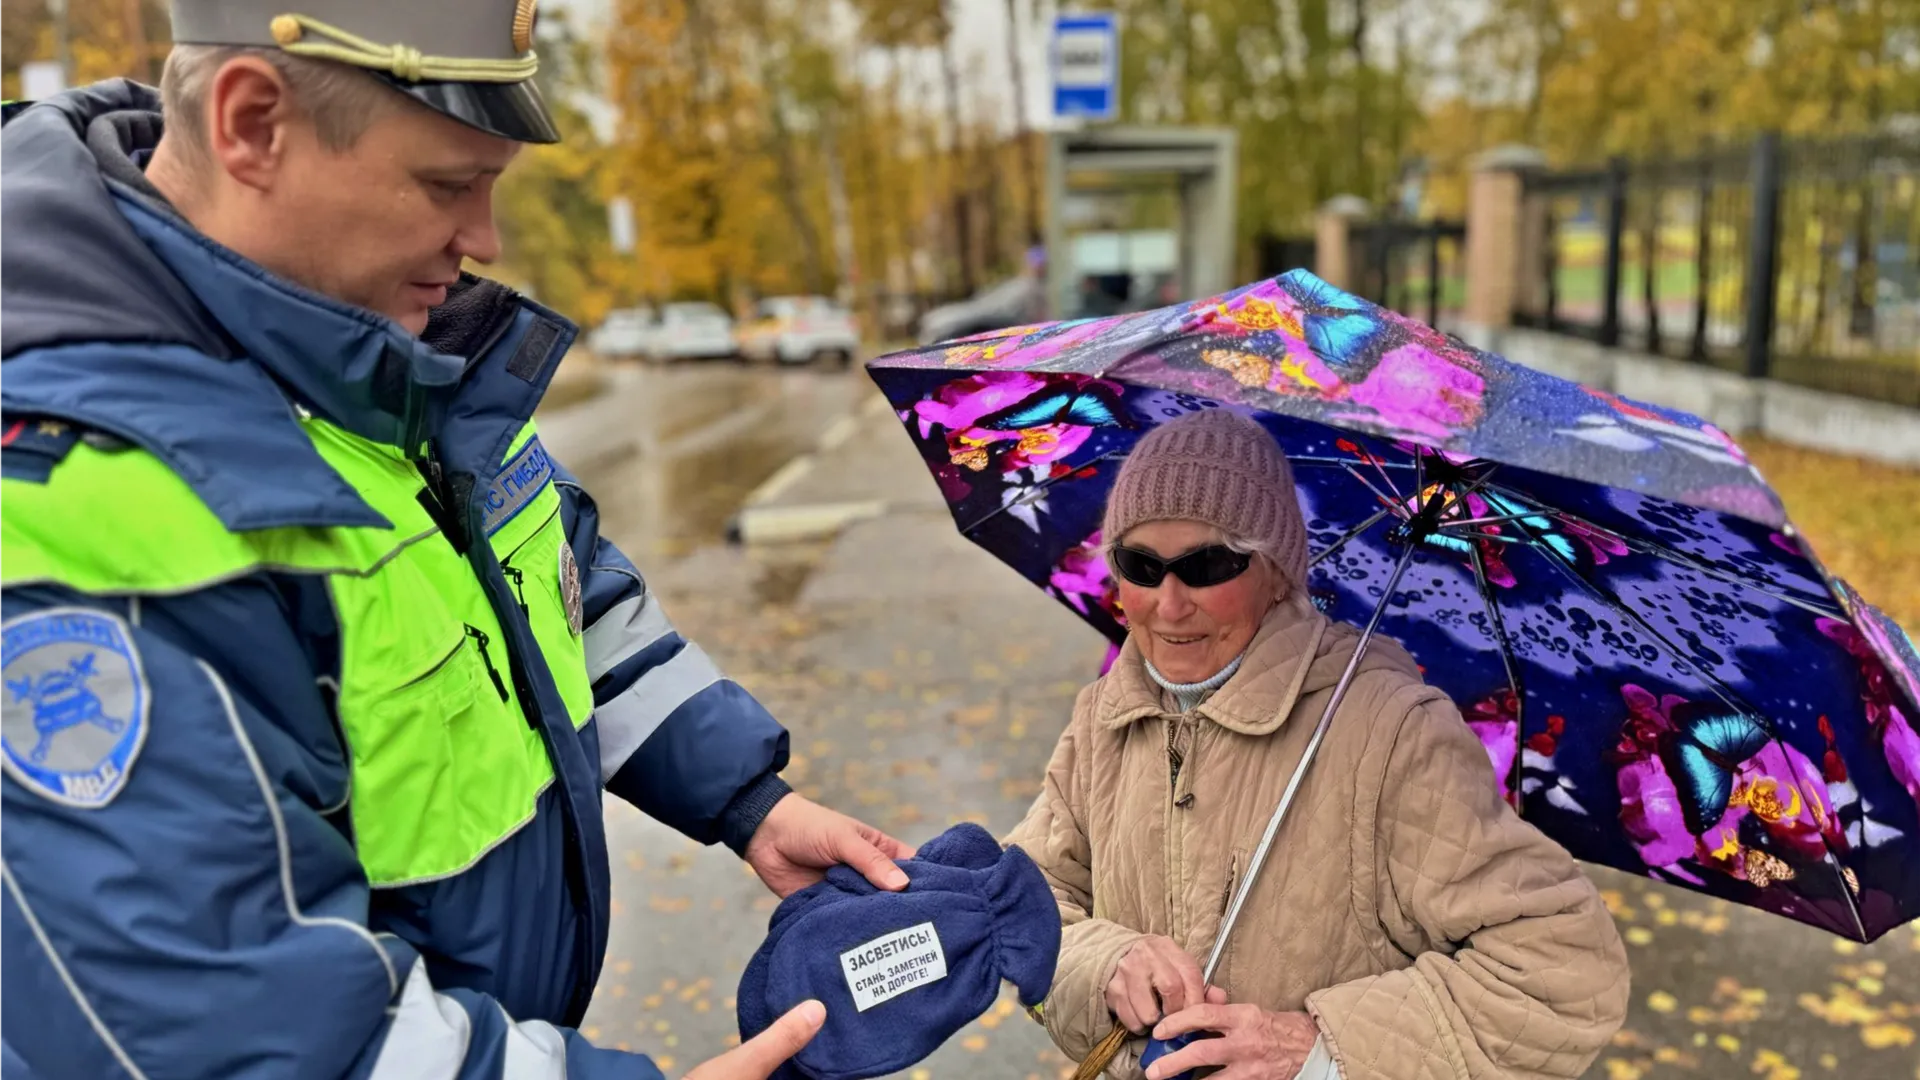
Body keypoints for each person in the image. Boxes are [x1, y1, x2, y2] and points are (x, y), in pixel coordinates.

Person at [0, 4, 912, 1077]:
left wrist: (749, 802)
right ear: (253, 124)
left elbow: (570, 600)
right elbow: (228, 1021)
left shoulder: (377, 358)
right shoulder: (65, 505)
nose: (483, 241)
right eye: (446, 185)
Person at [1005, 410, 1631, 1080]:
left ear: (1277, 572)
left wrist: (1317, 1051)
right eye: (1140, 565)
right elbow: (1023, 904)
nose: (1169, 603)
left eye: (1208, 564)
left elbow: (1563, 971)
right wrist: (1104, 966)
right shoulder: (1105, 717)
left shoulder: (1390, 731)